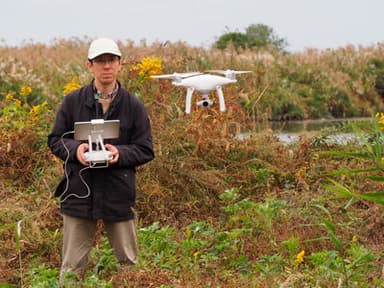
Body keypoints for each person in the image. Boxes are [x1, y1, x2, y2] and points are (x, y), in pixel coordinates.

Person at [48, 38, 154, 278]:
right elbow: (55, 140)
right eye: (100, 61)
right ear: (90, 66)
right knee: (72, 268)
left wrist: (120, 153)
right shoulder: (72, 102)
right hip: (78, 192)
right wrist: (76, 150)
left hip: (118, 192)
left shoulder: (133, 106)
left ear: (120, 64)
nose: (106, 66)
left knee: (128, 265)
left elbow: (146, 149)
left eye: (111, 61)